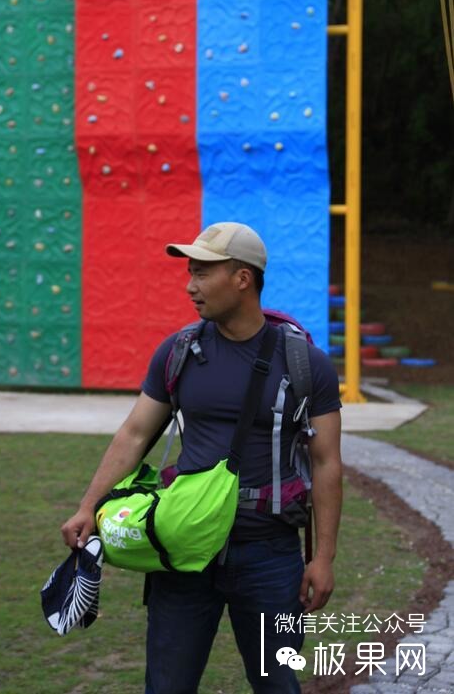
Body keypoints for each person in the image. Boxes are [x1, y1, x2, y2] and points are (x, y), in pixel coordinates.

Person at [61, 221, 342, 694]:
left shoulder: (304, 363)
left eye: (203, 273)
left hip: (269, 554)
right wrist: (89, 505)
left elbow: (327, 462)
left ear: (242, 278)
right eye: (190, 273)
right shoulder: (179, 352)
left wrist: (324, 557)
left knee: (276, 683)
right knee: (168, 685)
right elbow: (134, 434)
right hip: (182, 547)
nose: (190, 286)